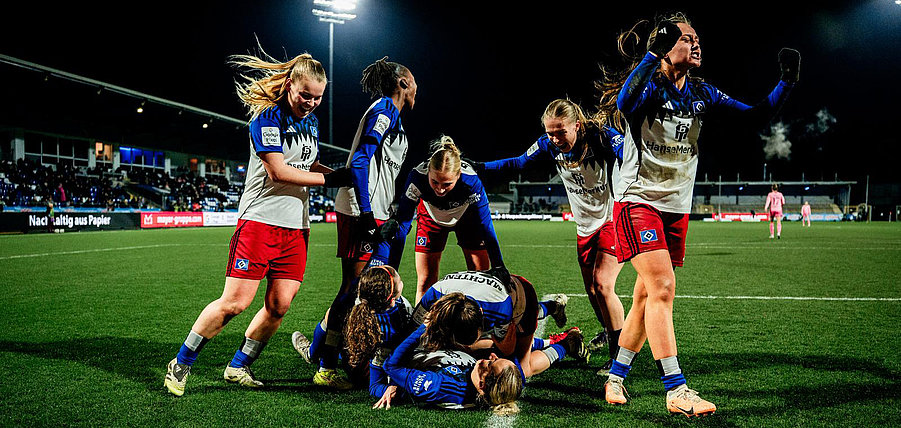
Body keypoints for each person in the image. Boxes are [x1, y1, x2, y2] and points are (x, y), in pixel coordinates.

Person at [597, 12, 797, 416]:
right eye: (686, 39)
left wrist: (787, 82)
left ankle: (616, 376)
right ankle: (676, 389)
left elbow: (754, 117)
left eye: (697, 38)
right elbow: (625, 102)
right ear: (666, 47)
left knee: (645, 294)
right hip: (638, 200)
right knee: (663, 287)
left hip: (675, 209)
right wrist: (652, 55)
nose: (696, 43)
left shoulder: (703, 93)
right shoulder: (648, 88)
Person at [164, 50, 349, 397]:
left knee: (279, 305)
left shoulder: (310, 122)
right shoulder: (266, 117)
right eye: (305, 94)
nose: (311, 102)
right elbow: (278, 171)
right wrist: (331, 181)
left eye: (318, 97)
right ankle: (181, 363)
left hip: (297, 227)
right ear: (290, 85)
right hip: (260, 222)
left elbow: (309, 165)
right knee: (235, 302)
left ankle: (238, 366)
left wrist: (338, 173)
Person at [468, 98, 627, 373]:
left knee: (603, 284)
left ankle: (619, 357)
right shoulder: (548, 145)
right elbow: (517, 162)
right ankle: (609, 330)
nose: (554, 138)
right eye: (550, 132)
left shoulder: (600, 138)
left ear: (576, 125)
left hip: (613, 219)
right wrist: (480, 167)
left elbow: (631, 154)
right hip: (585, 227)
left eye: (560, 132)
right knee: (591, 289)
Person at [320, 57, 418, 388]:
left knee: (363, 289)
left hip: (376, 211)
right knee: (354, 289)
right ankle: (326, 364)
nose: (418, 88)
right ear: (403, 83)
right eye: (414, 81)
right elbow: (361, 161)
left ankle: (335, 355)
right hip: (362, 212)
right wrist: (365, 213)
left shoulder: (394, 117)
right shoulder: (385, 111)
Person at [371, 135, 506, 304]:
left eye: (447, 184)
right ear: (428, 172)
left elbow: (485, 225)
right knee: (426, 281)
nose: (440, 189)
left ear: (458, 175)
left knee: (480, 277)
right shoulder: (416, 177)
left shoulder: (471, 180)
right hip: (430, 217)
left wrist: (499, 265)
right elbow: (403, 226)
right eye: (434, 182)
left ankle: (479, 325)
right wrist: (392, 271)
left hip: (467, 218)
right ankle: (421, 328)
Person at [412, 271, 588, 380]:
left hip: (521, 297)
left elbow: (507, 349)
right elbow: (411, 329)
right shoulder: (434, 295)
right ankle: (553, 308)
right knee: (470, 348)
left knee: (520, 369)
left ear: (481, 315)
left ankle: (568, 343)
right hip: (491, 293)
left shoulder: (500, 310)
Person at [289, 265, 414, 389]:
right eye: (400, 281)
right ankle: (319, 355)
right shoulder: (404, 310)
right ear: (391, 299)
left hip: (364, 363)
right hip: (377, 365)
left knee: (333, 314)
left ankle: (312, 353)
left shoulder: (359, 303)